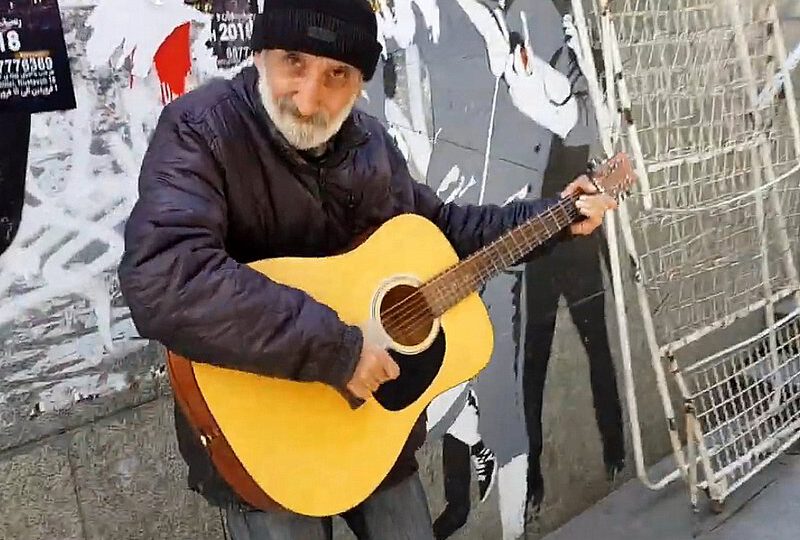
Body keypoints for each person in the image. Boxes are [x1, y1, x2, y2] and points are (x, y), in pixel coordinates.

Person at [118, 1, 618, 538]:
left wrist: (555, 217)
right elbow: (166, 275)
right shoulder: (203, 129)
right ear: (259, 53)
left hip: (377, 424)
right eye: (293, 61)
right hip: (264, 438)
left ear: (360, 84)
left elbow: (443, 232)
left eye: (337, 74)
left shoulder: (368, 143)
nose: (309, 98)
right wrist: (336, 350)